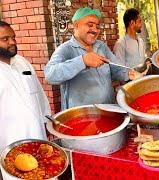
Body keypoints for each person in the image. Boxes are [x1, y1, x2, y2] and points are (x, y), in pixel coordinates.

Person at [44, 7, 141, 110]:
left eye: (97, 26)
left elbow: (115, 68)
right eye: (90, 25)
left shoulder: (101, 46)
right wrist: (83, 61)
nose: (95, 30)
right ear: (76, 26)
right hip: (82, 118)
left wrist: (128, 74)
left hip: (109, 111)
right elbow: (50, 75)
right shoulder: (66, 49)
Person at [0, 21, 50, 151]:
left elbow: (39, 94)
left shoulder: (22, 62)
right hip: (9, 144)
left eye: (13, 37)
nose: (12, 42)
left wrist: (46, 121)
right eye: (5, 39)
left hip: (38, 136)